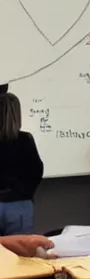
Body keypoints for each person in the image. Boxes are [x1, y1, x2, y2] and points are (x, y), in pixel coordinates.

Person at [0, 93, 44, 235]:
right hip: (18, 205)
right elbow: (36, 171)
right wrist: (24, 193)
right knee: (20, 254)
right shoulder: (25, 140)